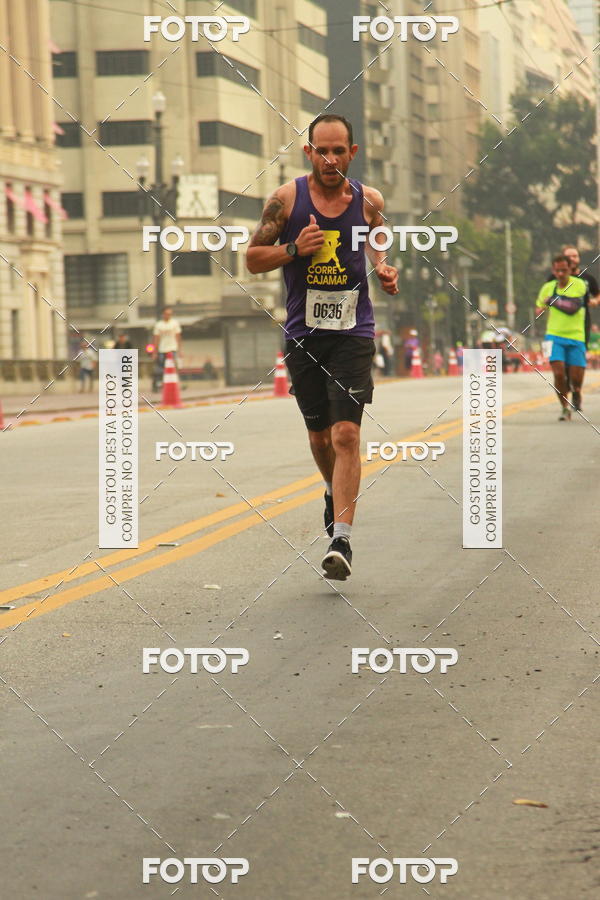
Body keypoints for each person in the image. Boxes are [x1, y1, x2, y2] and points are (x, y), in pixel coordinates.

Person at [246, 113, 398, 580]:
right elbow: (252, 260)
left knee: (345, 434)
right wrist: (295, 249)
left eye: (339, 151)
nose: (330, 160)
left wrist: (383, 266)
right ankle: (333, 491)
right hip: (304, 334)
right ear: (309, 152)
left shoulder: (369, 201)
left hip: (354, 332)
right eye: (322, 151)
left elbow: (377, 236)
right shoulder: (285, 200)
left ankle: (342, 541)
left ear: (352, 153)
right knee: (319, 437)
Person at [535, 254, 588, 419]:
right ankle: (565, 408)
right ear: (553, 270)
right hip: (553, 336)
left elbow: (573, 307)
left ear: (570, 269)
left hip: (576, 336)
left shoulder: (579, 284)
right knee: (558, 374)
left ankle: (576, 392)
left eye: (564, 270)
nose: (560, 274)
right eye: (557, 270)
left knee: (575, 378)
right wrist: (541, 310)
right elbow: (539, 307)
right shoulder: (547, 288)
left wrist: (552, 300)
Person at [152, 307, 182, 391]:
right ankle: (160, 385)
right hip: (162, 349)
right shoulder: (159, 325)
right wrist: (154, 352)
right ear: (163, 314)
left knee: (174, 368)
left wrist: (180, 350)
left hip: (173, 349)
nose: (168, 315)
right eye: (167, 314)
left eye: (170, 314)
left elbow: (178, 337)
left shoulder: (175, 323)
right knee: (161, 369)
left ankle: (175, 385)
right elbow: (156, 339)